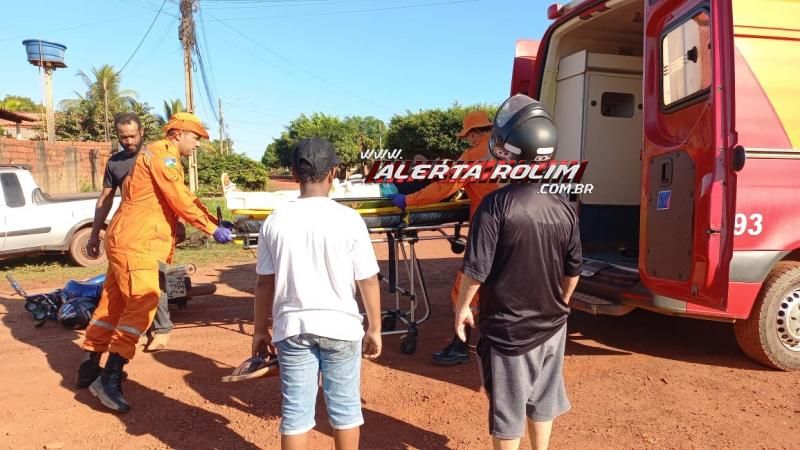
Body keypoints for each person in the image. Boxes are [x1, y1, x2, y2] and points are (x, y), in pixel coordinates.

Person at [76, 112, 235, 413]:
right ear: (178, 134)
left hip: (125, 238)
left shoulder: (155, 154)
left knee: (113, 304)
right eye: (196, 138)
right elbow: (180, 197)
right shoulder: (165, 156)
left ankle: (88, 368)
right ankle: (108, 379)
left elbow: (177, 197)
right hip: (138, 243)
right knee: (142, 303)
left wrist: (214, 221)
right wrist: (212, 229)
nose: (198, 145)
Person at [454, 94, 579, 450]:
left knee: (508, 413)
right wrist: (559, 303)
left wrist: (462, 308)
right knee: (543, 400)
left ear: (508, 154)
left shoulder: (495, 206)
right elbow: (573, 271)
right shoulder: (565, 207)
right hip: (554, 325)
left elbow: (475, 271)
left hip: (509, 332)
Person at [253, 137, 382, 450]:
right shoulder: (351, 220)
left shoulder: (274, 221)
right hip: (342, 327)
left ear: (294, 175)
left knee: (296, 412)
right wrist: (375, 329)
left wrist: (259, 330)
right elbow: (367, 280)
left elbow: (264, 283)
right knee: (346, 410)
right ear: (334, 173)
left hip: (292, 328)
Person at [389, 111, 501, 365]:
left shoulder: (474, 155)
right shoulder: (509, 148)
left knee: (466, 287)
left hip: (488, 227)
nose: (468, 140)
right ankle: (495, 345)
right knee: (501, 284)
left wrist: (407, 200)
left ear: (474, 133)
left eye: (468, 136)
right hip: (517, 226)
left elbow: (445, 187)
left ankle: (460, 345)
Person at [86, 112, 177, 352]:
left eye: (132, 136)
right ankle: (133, 330)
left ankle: (161, 329)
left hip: (156, 230)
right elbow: (105, 199)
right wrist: (95, 234)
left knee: (155, 281)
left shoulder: (156, 157)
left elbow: (175, 193)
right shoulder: (115, 163)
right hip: (131, 232)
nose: (128, 141)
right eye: (123, 137)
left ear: (142, 133)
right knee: (124, 286)